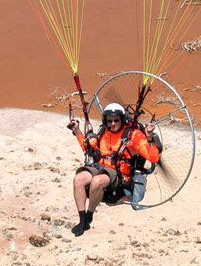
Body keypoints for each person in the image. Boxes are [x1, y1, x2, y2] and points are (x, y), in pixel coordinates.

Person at [68, 101, 160, 236]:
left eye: (116, 120)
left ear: (122, 119)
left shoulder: (133, 135)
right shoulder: (103, 132)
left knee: (97, 181)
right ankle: (83, 220)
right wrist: (77, 131)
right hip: (99, 166)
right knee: (78, 179)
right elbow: (88, 148)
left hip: (118, 174)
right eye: (109, 121)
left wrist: (150, 137)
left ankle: (89, 215)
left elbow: (153, 158)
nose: (113, 124)